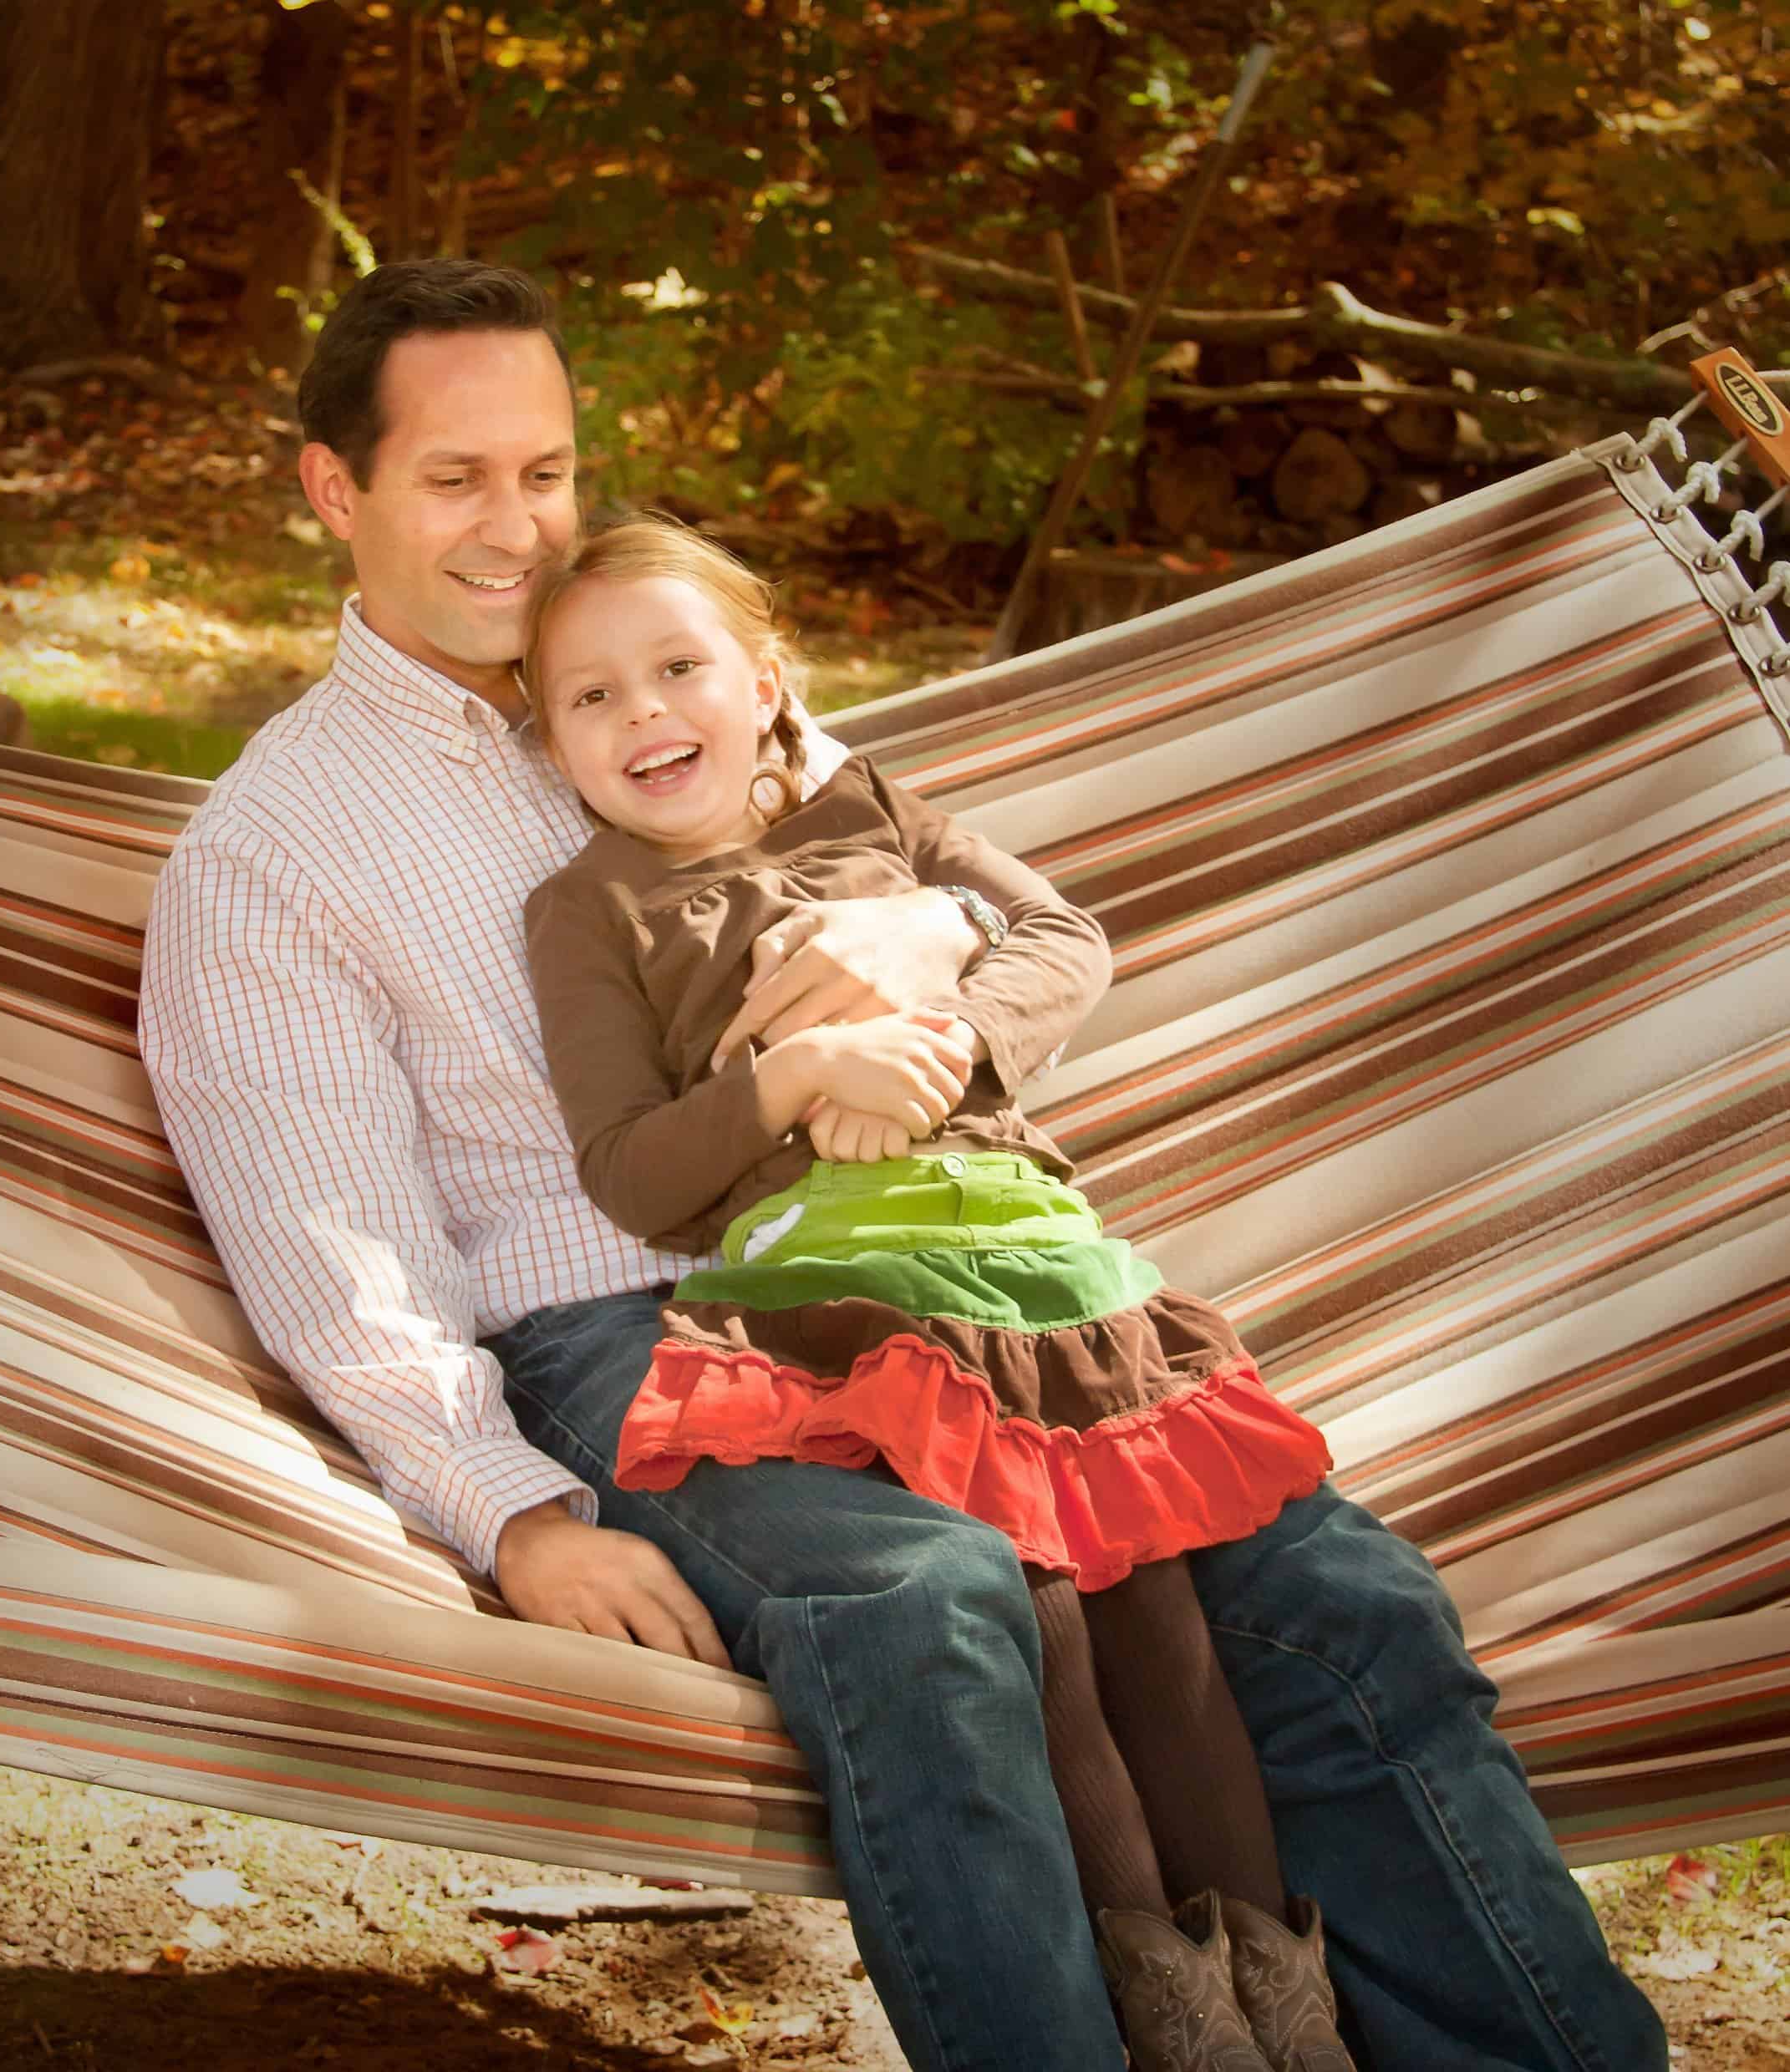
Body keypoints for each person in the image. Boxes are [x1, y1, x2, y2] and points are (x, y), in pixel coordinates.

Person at [137, 256, 1666, 2072]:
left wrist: (943, 943)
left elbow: (951, 891)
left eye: (543, 470)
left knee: (1339, 1601)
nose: (518, 525)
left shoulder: (668, 661)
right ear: (335, 489)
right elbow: (339, 1245)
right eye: (456, 478)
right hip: (620, 1331)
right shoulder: (275, 852)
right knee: (935, 1607)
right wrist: (509, 1508)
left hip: (931, 1271)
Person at [516, 513, 1360, 2071]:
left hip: (1030, 1266)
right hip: (842, 1300)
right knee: (1028, 1613)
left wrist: (942, 1042)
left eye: (679, 668)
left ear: (768, 681)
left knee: (1154, 1618)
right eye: (589, 697)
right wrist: (798, 1075)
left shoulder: (876, 808)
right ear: (549, 738)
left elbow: (1064, 938)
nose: (642, 713)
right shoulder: (590, 911)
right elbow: (631, 1172)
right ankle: (1169, 2022)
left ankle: (1281, 2024)